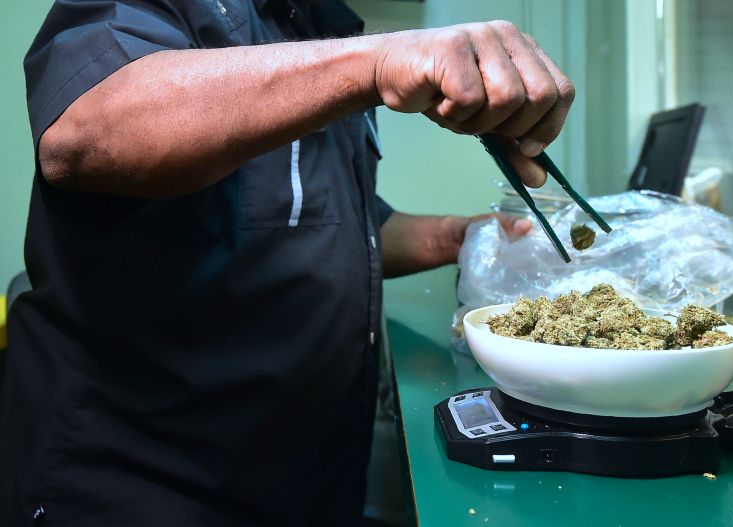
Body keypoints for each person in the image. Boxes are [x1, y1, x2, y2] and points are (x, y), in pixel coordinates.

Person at [0, 0, 574, 525]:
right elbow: (87, 128)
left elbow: (335, 225)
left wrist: (462, 237)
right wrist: (379, 61)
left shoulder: (318, 25)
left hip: (300, 479)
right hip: (144, 484)